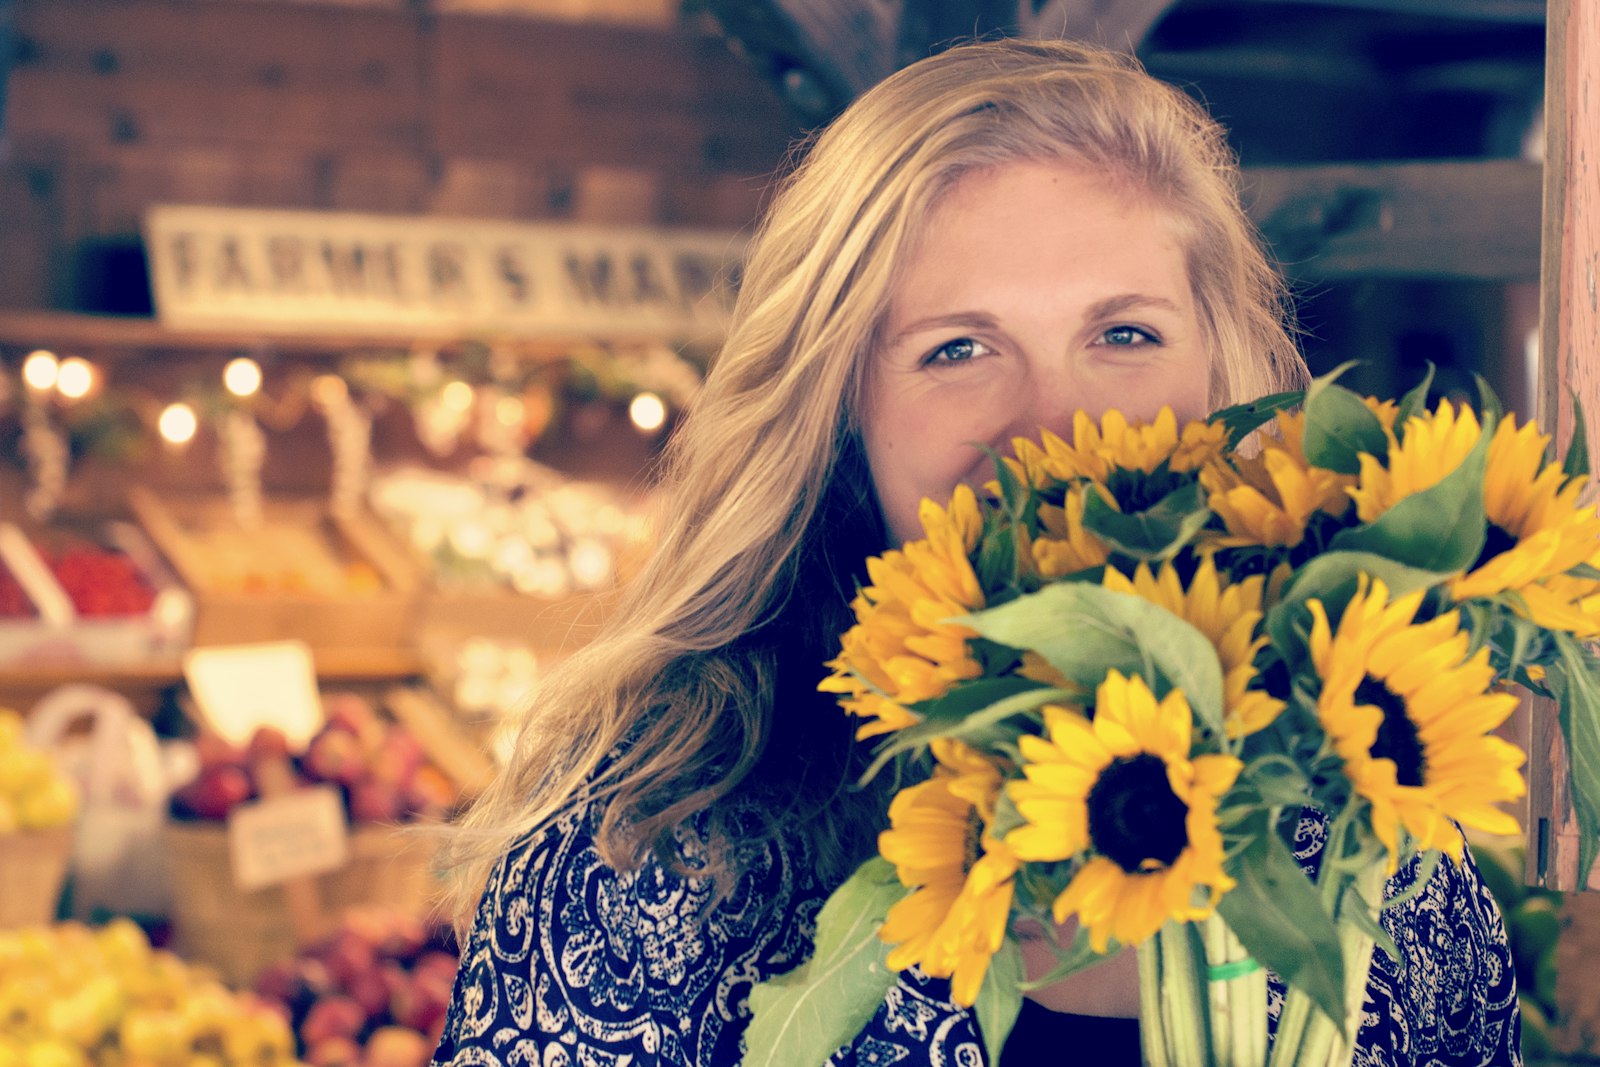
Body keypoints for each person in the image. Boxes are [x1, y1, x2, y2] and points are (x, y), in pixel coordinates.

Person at [429, 37, 1521, 1067]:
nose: (1057, 427)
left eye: (1123, 334)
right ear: (842, 410)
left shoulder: (1377, 834)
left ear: (1222, 375)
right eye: (957, 347)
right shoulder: (653, 843)